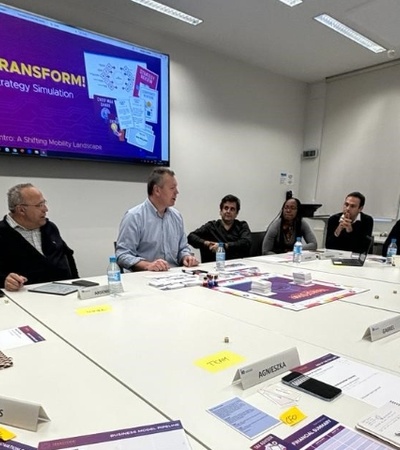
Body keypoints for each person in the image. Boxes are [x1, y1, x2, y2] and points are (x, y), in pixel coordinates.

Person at [116, 168, 198, 271]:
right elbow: (122, 255)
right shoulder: (134, 217)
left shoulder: (176, 216)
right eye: (172, 188)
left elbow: (183, 248)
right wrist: (148, 265)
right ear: (157, 190)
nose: (177, 192)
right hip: (145, 277)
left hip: (175, 275)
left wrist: (186, 257)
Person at [0, 183, 78, 291]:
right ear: (21, 210)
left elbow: (67, 256)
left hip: (65, 295)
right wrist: (4, 280)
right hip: (24, 300)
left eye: (44, 203)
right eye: (39, 205)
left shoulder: (50, 227)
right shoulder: (2, 233)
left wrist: (77, 284)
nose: (45, 209)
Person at [187, 194, 252, 263]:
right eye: (226, 208)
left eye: (232, 209)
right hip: (213, 267)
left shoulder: (242, 226)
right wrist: (207, 243)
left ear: (236, 213)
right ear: (220, 211)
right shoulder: (211, 226)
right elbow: (191, 237)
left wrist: (223, 246)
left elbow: (246, 243)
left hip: (238, 265)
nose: (228, 211)